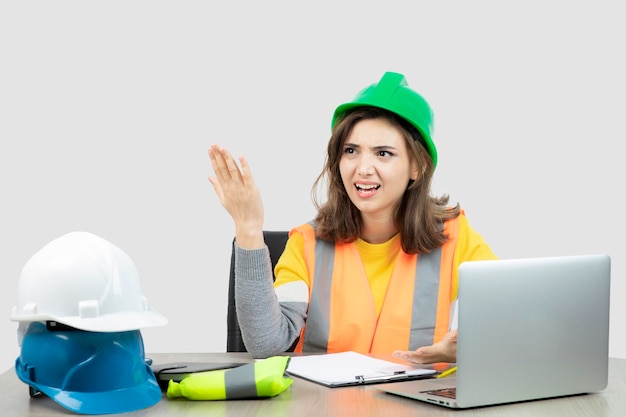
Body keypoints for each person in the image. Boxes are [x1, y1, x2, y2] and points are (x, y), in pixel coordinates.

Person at [208, 71, 497, 364]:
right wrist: (248, 227)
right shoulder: (306, 245)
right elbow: (266, 344)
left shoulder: (455, 237)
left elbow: (508, 318)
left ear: (418, 166)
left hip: (413, 405)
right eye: (351, 151)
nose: (363, 168)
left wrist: (472, 344)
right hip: (321, 405)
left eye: (383, 153)